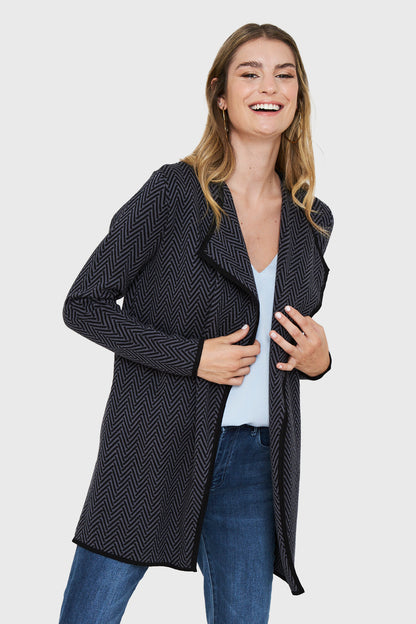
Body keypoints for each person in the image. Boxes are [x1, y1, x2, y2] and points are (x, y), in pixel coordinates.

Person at [58, 22, 334, 624]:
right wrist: (191, 358)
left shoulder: (311, 219)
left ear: (299, 95)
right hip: (151, 443)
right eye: (250, 73)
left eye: (284, 75)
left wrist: (319, 361)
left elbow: (296, 337)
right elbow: (83, 304)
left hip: (255, 461)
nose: (269, 87)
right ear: (221, 94)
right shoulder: (174, 193)